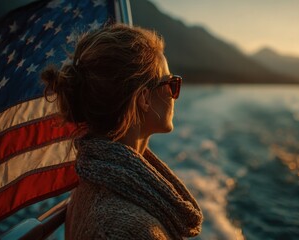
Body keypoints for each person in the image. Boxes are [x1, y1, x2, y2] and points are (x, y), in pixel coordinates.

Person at [41, 24, 203, 239]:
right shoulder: (124, 230)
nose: (174, 94)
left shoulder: (93, 179)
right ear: (144, 98)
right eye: (170, 83)